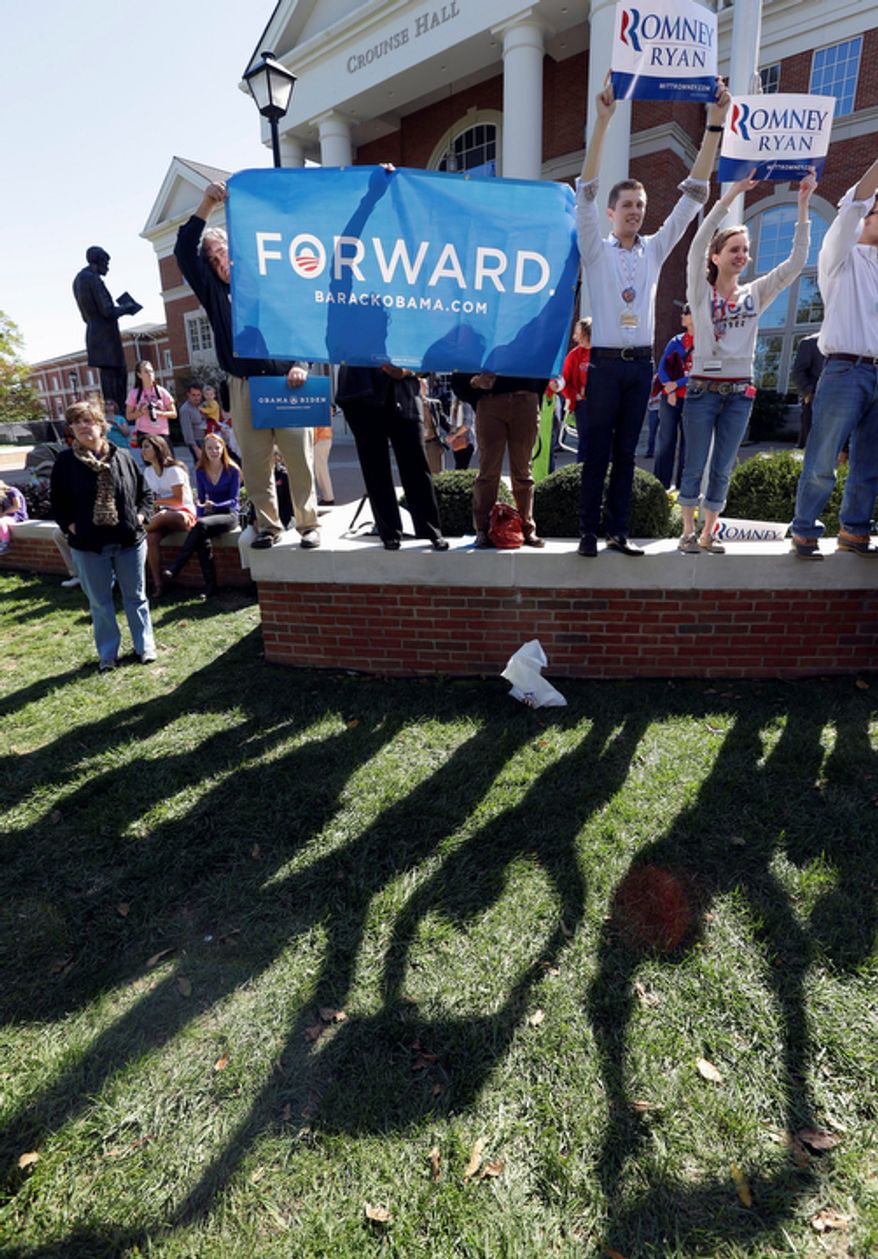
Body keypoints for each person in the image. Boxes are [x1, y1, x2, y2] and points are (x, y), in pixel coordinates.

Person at [574, 75, 731, 558]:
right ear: (611, 212)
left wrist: (713, 128)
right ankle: (587, 534)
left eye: (641, 206)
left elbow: (693, 197)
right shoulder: (594, 250)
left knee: (626, 455)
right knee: (595, 456)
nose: (636, 212)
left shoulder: (654, 250)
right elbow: (585, 189)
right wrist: (602, 124)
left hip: (639, 364)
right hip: (602, 364)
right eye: (627, 206)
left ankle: (617, 533)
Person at [174, 181, 320, 550]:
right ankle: (269, 526)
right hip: (243, 384)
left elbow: (299, 323)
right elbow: (183, 250)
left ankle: (308, 525)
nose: (220, 262)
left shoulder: (267, 279)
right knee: (255, 462)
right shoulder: (212, 290)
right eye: (213, 258)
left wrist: (300, 362)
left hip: (287, 382)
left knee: (298, 458)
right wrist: (207, 203)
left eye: (223, 252)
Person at [678, 169, 816, 554]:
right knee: (694, 464)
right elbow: (696, 244)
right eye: (734, 249)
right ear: (717, 256)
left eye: (745, 250)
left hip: (740, 393)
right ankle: (687, 530)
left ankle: (708, 532)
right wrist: (732, 194)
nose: (742, 256)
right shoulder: (700, 292)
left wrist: (804, 204)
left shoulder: (756, 293)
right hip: (702, 390)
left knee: (723, 466)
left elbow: (796, 262)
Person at [792, 157, 878, 558]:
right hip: (844, 369)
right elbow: (855, 201)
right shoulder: (840, 253)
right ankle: (805, 528)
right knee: (823, 455)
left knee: (869, 462)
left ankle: (854, 530)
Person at [49, 399, 156, 671]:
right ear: (71, 429)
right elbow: (58, 503)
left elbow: (145, 493)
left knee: (136, 598)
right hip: (88, 546)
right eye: (77, 422)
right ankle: (108, 655)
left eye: (88, 420)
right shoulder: (65, 462)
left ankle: (145, 648)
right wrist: (74, 527)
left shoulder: (121, 456)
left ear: (100, 424)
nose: (83, 427)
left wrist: (140, 517)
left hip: (128, 542)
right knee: (100, 603)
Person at [336, 364, 448, 550]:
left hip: (403, 393)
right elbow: (334, 346)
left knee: (417, 466)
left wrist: (406, 371)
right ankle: (389, 532)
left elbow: (424, 354)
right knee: (374, 468)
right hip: (360, 394)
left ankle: (431, 531)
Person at [450, 371, 549, 548]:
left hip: (525, 398)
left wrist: (535, 392)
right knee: (488, 471)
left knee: (523, 470)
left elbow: (542, 362)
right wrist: (474, 382)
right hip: (490, 400)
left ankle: (527, 527)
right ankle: (483, 529)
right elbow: (460, 372)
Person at [162, 433, 241, 597]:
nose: (214, 451)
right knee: (201, 538)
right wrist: (198, 515)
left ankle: (176, 566)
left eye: (217, 448)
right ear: (204, 450)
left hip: (229, 515)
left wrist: (216, 505)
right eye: (210, 448)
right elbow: (200, 499)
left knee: (201, 526)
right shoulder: (200, 470)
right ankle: (210, 587)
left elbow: (234, 500)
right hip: (209, 516)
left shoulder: (232, 470)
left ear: (223, 449)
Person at [72, 246, 140, 410]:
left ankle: (114, 412)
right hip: (106, 336)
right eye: (106, 262)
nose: (108, 267)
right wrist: (127, 308)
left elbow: (85, 315)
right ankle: (118, 414)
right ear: (99, 261)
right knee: (117, 375)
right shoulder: (92, 278)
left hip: (94, 332)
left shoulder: (78, 279)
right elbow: (107, 310)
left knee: (108, 376)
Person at [140, 434, 196, 595]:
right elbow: (150, 498)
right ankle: (158, 584)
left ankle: (137, 529)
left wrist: (156, 504)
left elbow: (178, 501)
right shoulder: (148, 472)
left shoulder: (174, 470)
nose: (142, 451)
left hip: (182, 514)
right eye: (142, 447)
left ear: (158, 448)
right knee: (151, 538)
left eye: (146, 446)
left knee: (165, 515)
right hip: (161, 517)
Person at [653, 305, 694, 490]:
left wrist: (677, 384)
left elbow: (699, 372)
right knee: (665, 441)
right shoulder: (676, 340)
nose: (682, 316)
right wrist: (669, 390)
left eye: (686, 313)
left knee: (688, 445)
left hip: (692, 399)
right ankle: (660, 485)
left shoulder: (705, 342)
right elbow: (662, 366)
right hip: (669, 398)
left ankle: (681, 489)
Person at [560, 317, 592, 463]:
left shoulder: (600, 353)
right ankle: (582, 476)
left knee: (605, 441)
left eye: (578, 334)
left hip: (603, 403)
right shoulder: (574, 355)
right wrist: (574, 395)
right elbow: (564, 381)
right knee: (585, 442)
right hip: (583, 405)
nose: (575, 338)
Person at [125, 360, 176, 443]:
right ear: (139, 375)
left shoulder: (161, 391)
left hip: (161, 433)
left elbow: (174, 413)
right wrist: (141, 412)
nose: (150, 374)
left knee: (167, 456)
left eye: (151, 371)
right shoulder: (134, 393)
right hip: (144, 433)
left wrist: (159, 412)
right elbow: (129, 416)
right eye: (146, 372)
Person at [791, 333, 825, 449]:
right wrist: (808, 392)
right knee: (811, 446)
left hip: (844, 401)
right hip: (814, 401)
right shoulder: (810, 343)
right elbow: (798, 372)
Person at [178, 382, 206, 462]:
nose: (196, 398)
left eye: (198, 395)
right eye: (193, 395)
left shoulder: (203, 406)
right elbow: (187, 431)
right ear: (188, 394)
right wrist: (195, 448)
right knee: (201, 467)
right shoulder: (185, 410)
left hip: (206, 439)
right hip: (197, 442)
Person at [0, 480, 27, 554]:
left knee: (1, 522)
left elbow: (17, 506)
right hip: (8, 516)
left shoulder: (13, 491)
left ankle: (5, 544)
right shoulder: (2, 494)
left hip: (17, 515)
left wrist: (4, 513)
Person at [313, 423, 335, 505]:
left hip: (319, 439)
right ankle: (328, 497)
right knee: (321, 470)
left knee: (320, 471)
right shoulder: (326, 409)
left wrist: (313, 440)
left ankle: (328, 497)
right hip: (325, 438)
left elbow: (313, 423)